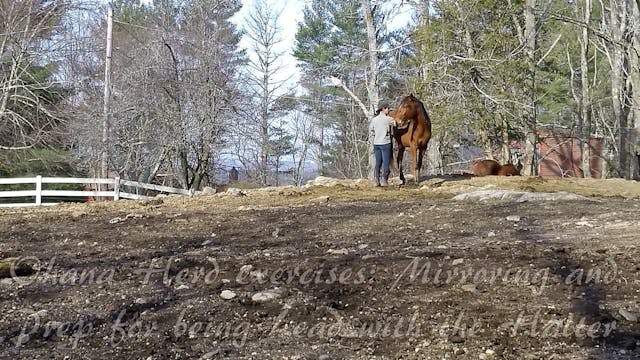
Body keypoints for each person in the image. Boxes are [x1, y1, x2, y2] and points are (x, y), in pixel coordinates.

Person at [369, 102, 395, 186]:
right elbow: (396, 124)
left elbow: (371, 131)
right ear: (383, 109)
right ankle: (384, 180)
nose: (388, 110)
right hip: (385, 143)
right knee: (386, 162)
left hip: (376, 143)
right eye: (387, 108)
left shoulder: (374, 120)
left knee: (378, 162)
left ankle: (376, 180)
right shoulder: (388, 119)